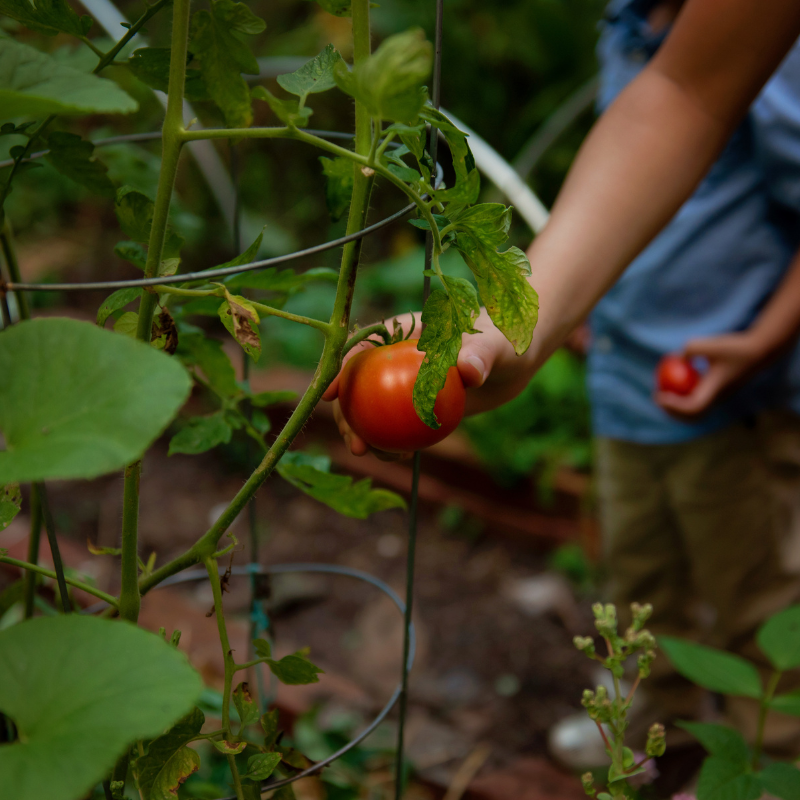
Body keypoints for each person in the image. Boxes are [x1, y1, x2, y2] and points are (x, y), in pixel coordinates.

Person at [323, 0, 800, 757]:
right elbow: (675, 104)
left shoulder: (783, 74)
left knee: (758, 603)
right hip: (626, 380)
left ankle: (776, 756)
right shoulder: (627, 27)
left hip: (729, 396)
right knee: (641, 581)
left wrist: (766, 339)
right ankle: (647, 734)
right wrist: (527, 323)